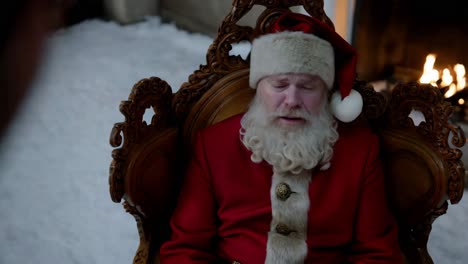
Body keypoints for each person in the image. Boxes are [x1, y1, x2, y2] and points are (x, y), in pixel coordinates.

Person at [159, 12, 402, 263]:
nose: (292, 100)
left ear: (327, 93)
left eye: (307, 86)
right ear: (258, 88)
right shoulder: (213, 145)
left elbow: (377, 254)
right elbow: (185, 249)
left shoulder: (360, 150)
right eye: (279, 85)